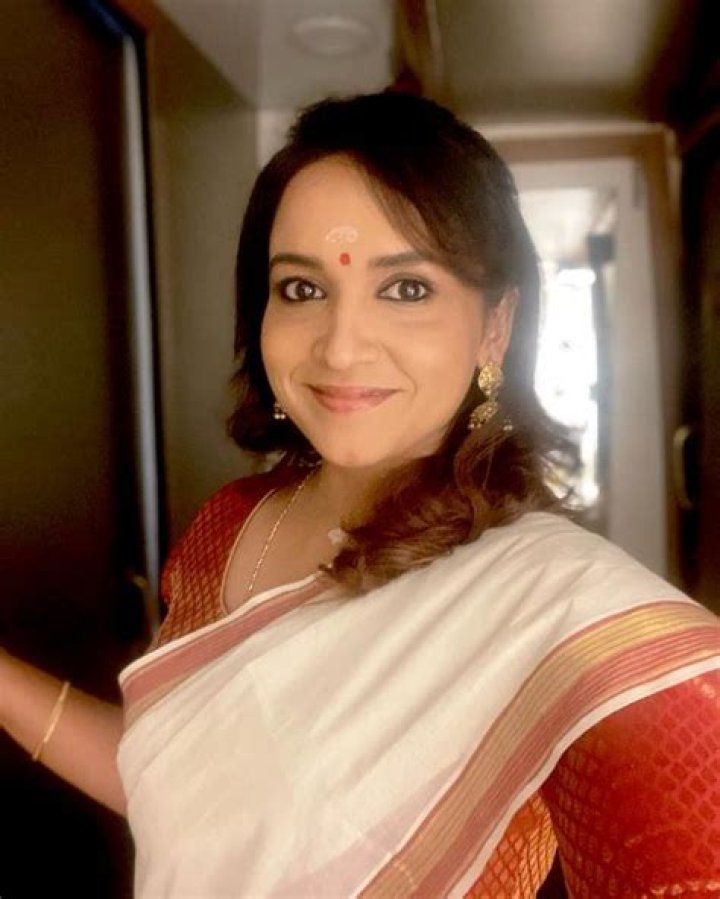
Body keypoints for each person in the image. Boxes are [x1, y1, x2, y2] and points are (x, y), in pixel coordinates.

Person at [2, 90, 719, 897]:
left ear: (495, 326)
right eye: (301, 289)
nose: (341, 347)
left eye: (406, 288)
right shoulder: (231, 525)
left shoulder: (559, 609)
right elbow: (179, 790)